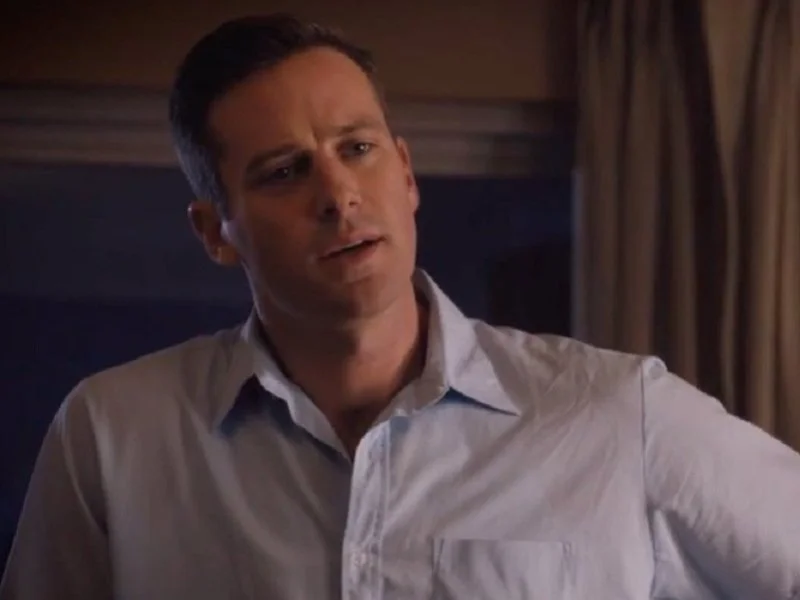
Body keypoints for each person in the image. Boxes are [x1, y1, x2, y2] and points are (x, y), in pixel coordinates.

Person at [2, 13, 799, 600]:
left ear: (407, 175)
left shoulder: (618, 415)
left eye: (357, 148)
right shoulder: (113, 435)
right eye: (284, 171)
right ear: (216, 232)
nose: (339, 194)